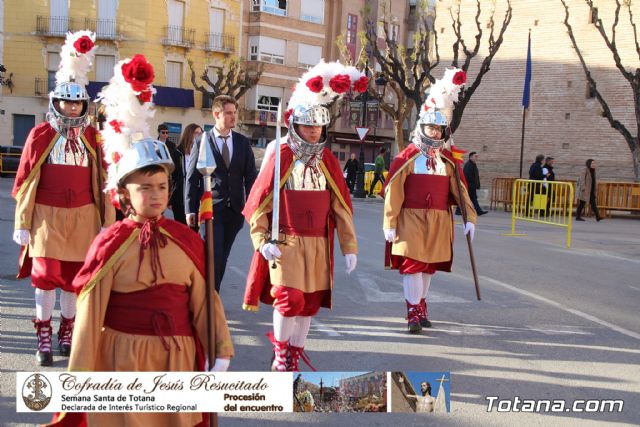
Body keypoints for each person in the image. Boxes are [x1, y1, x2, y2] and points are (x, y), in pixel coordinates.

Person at [58, 54, 233, 427]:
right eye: (144, 188)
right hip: (125, 359)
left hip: (177, 359)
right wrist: (79, 380)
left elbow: (204, 302)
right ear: (123, 194)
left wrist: (221, 351)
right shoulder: (110, 244)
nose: (156, 196)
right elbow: (89, 318)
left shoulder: (186, 241)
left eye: (162, 187)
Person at [242, 61, 364, 371]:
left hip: (318, 245)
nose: (313, 131)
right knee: (290, 299)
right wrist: (261, 241)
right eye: (307, 125)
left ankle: (294, 355)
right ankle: (281, 357)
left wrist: (349, 247)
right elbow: (259, 204)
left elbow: (341, 208)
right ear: (295, 125)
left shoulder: (329, 162)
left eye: (318, 126)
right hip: (286, 242)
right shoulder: (281, 156)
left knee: (308, 306)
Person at [11, 31, 115, 366]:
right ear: (56, 103)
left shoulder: (92, 136)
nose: (71, 107)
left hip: (83, 217)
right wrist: (23, 223)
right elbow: (27, 181)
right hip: (46, 217)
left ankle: (66, 331)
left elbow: (103, 181)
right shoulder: (40, 134)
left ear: (84, 105)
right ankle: (43, 332)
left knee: (73, 282)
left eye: (77, 102)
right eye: (66, 102)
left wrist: (105, 222)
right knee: (45, 278)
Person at [383, 68, 476, 333]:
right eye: (431, 128)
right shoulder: (407, 158)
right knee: (412, 265)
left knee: (427, 268)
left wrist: (470, 218)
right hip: (410, 218)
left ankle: (421, 305)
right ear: (422, 127)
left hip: (438, 219)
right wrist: (390, 222)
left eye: (439, 129)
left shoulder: (448, 161)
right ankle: (412, 312)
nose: (435, 133)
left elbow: (460, 192)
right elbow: (394, 190)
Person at [185, 95, 258, 292]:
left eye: (235, 112)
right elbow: (191, 177)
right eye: (228, 113)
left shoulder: (242, 143)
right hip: (211, 210)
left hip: (235, 211)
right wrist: (189, 209)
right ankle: (209, 298)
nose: (233, 117)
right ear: (216, 114)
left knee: (222, 256)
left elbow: (251, 178)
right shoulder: (202, 141)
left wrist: (254, 209)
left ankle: (210, 295)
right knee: (213, 255)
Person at [170, 123, 203, 228]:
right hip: (180, 199)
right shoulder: (177, 153)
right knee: (181, 229)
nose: (199, 135)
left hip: (196, 199)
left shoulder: (202, 153)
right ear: (189, 134)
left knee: (195, 230)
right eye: (196, 133)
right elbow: (171, 176)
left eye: (201, 133)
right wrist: (170, 199)